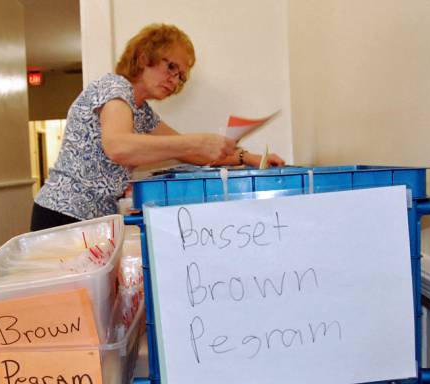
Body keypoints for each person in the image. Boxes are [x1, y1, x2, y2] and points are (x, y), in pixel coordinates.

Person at [31, 23, 285, 231]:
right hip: (63, 215)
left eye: (180, 76)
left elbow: (191, 154)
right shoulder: (114, 88)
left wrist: (249, 157)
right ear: (144, 57)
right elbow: (118, 146)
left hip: (93, 220)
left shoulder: (141, 112)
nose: (174, 80)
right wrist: (197, 141)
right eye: (171, 67)